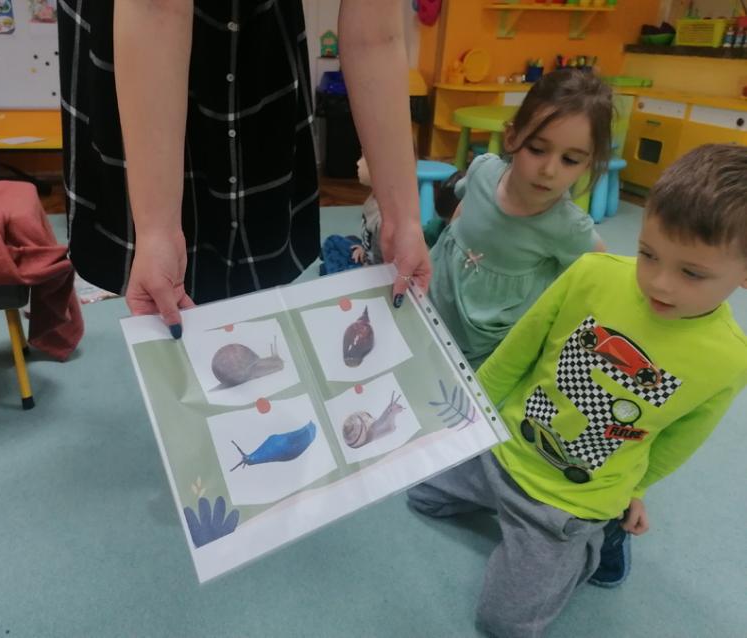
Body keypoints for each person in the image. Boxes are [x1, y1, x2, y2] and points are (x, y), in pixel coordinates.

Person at [408, 143, 747, 638]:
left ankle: (600, 539)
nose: (660, 284)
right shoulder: (590, 273)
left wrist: (635, 491)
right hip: (502, 451)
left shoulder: (728, 358)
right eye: (648, 254)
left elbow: (679, 440)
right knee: (420, 496)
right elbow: (515, 353)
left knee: (504, 623)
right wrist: (467, 416)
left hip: (569, 505)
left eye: (691, 273)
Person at [58, 1, 430, 339]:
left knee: (253, 260)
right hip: (139, 37)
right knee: (159, 271)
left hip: (256, 31)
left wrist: (402, 220)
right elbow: (156, 7)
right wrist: (157, 231)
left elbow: (376, 36)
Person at [428, 69, 611, 370]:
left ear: (587, 164)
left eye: (570, 160)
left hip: (488, 339)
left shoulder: (568, 225)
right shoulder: (483, 169)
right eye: (537, 149)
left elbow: (599, 270)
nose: (549, 170)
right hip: (436, 296)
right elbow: (462, 210)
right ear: (512, 137)